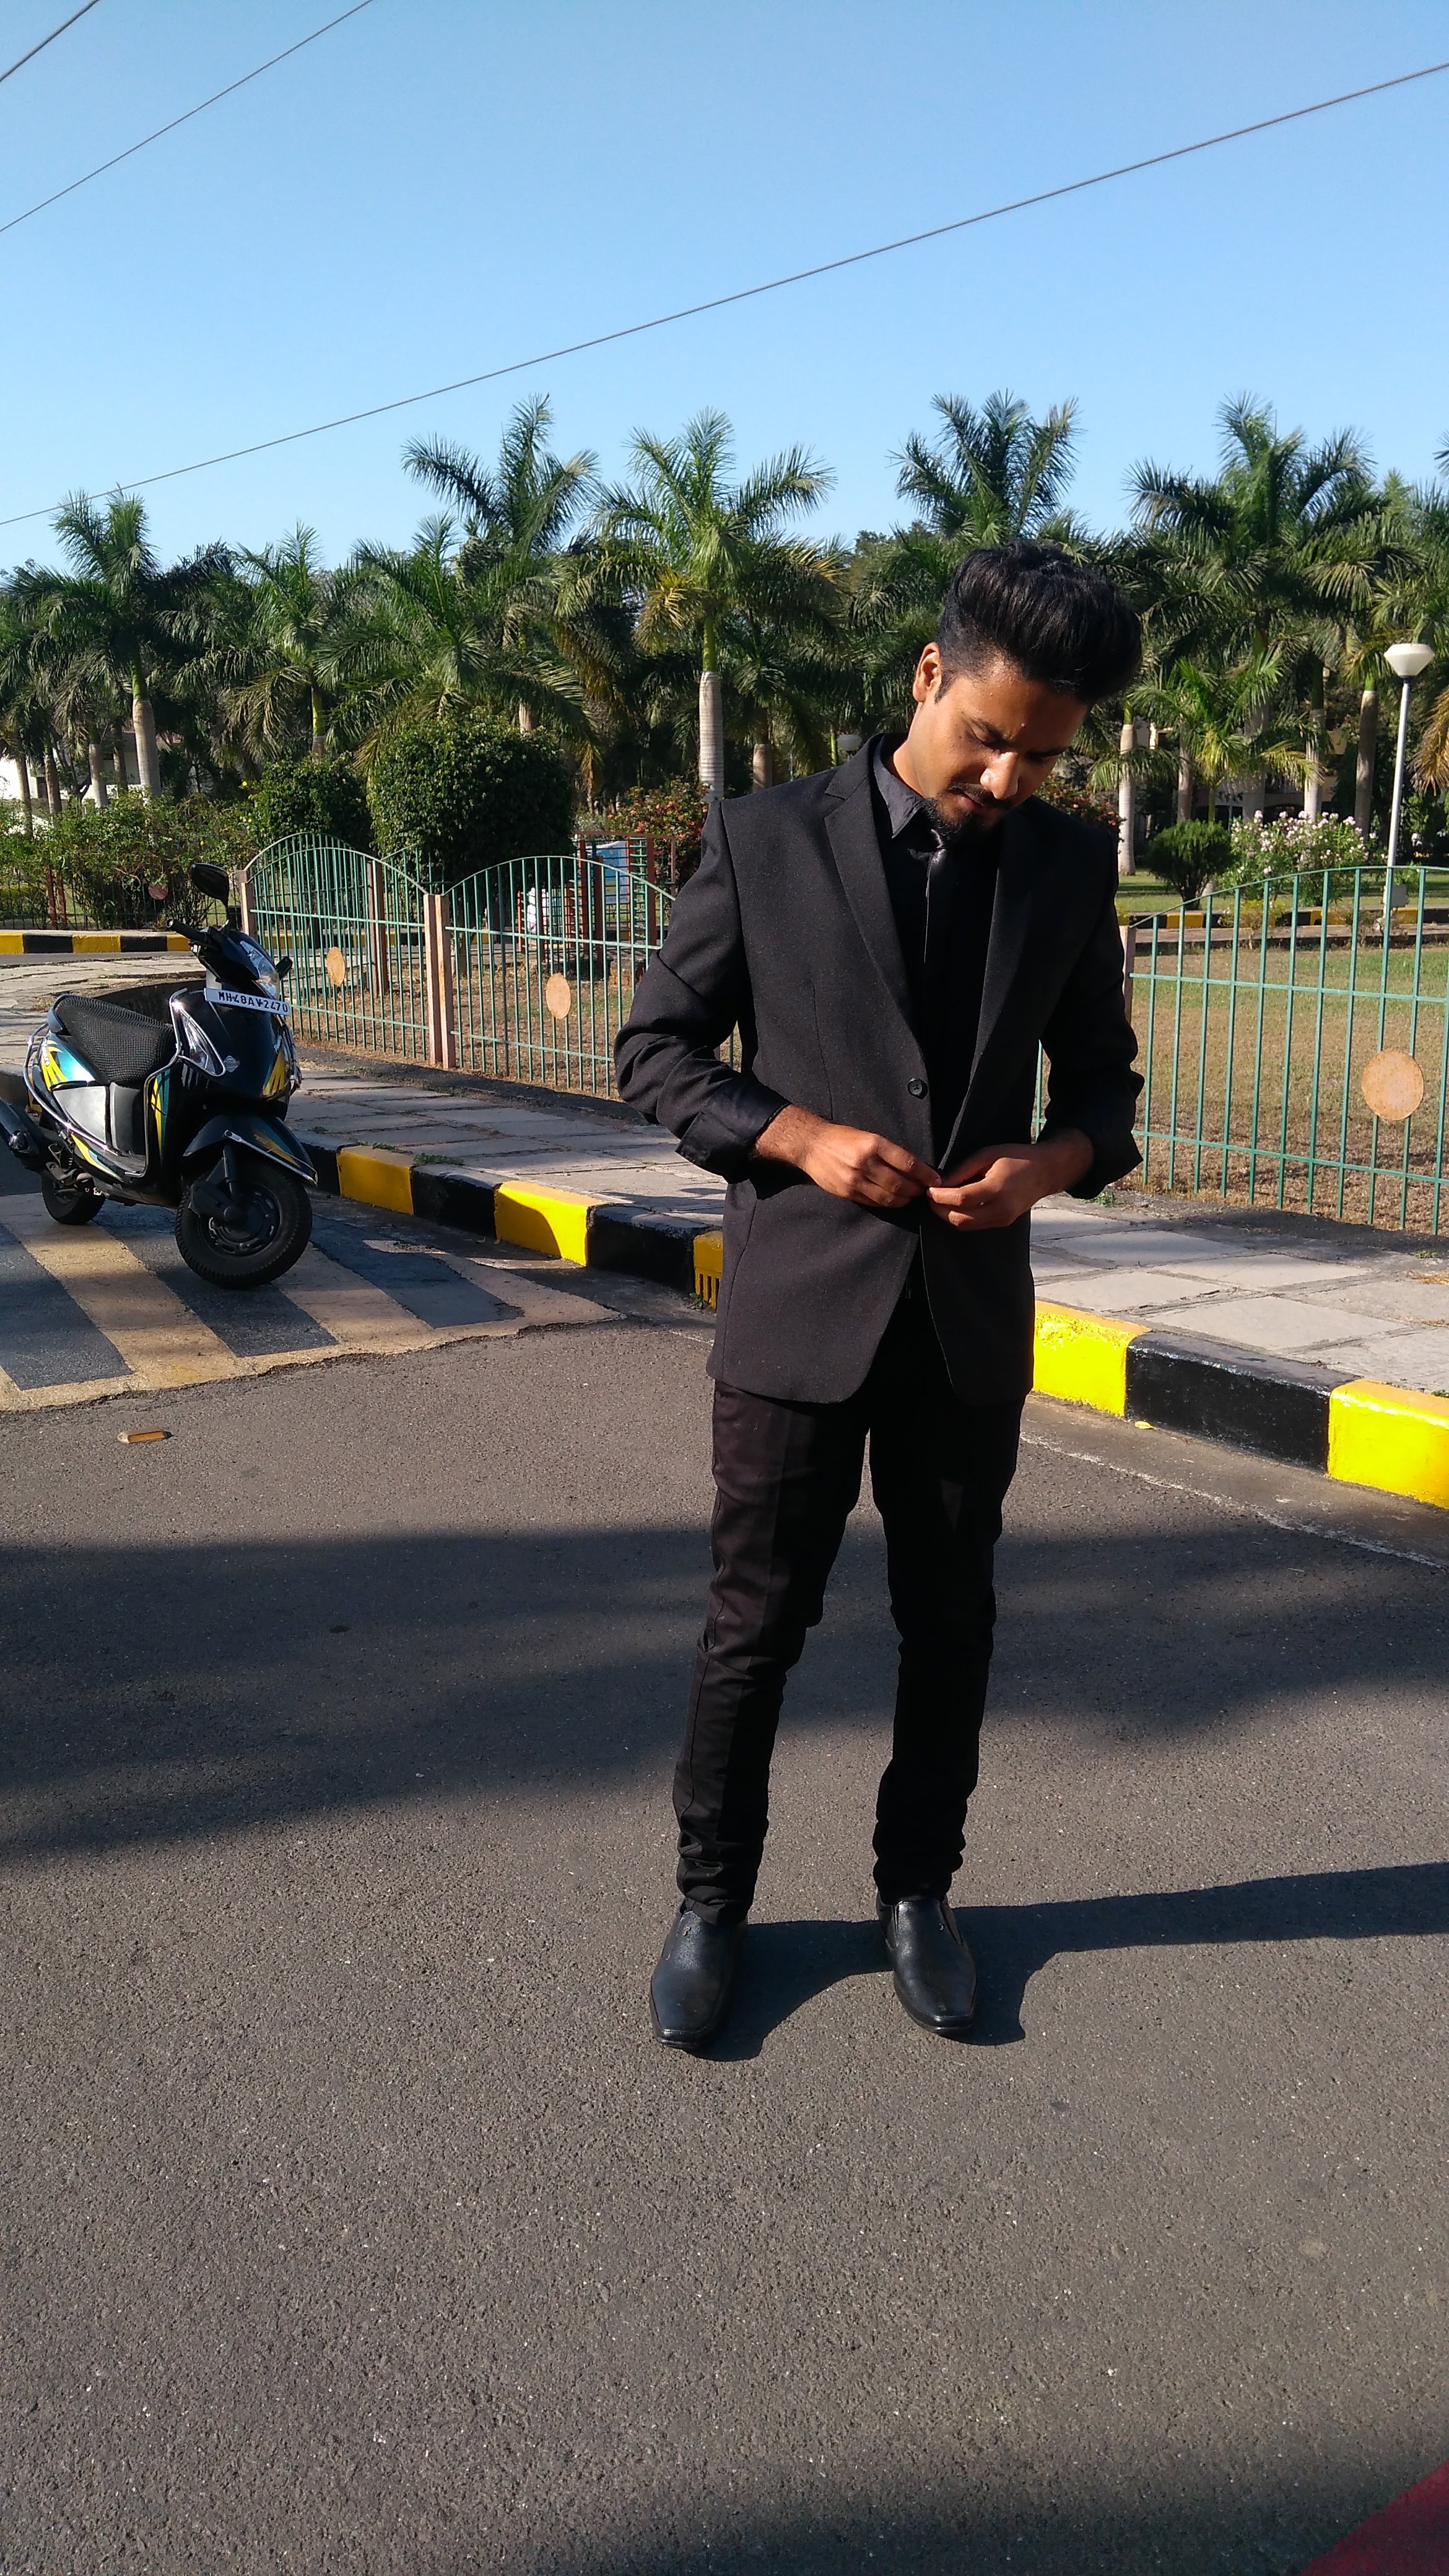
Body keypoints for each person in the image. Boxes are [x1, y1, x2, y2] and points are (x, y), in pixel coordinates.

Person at [615, 540, 1143, 2051]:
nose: (1009, 778)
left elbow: (1104, 1088)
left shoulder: (1065, 867)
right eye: (989, 738)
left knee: (951, 1622)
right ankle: (712, 1902)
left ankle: (919, 1892)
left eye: (1045, 756)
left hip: (966, 1329)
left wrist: (1047, 1164)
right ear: (929, 677)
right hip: (798, 1317)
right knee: (754, 1628)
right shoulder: (765, 839)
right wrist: (795, 1135)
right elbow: (655, 1053)